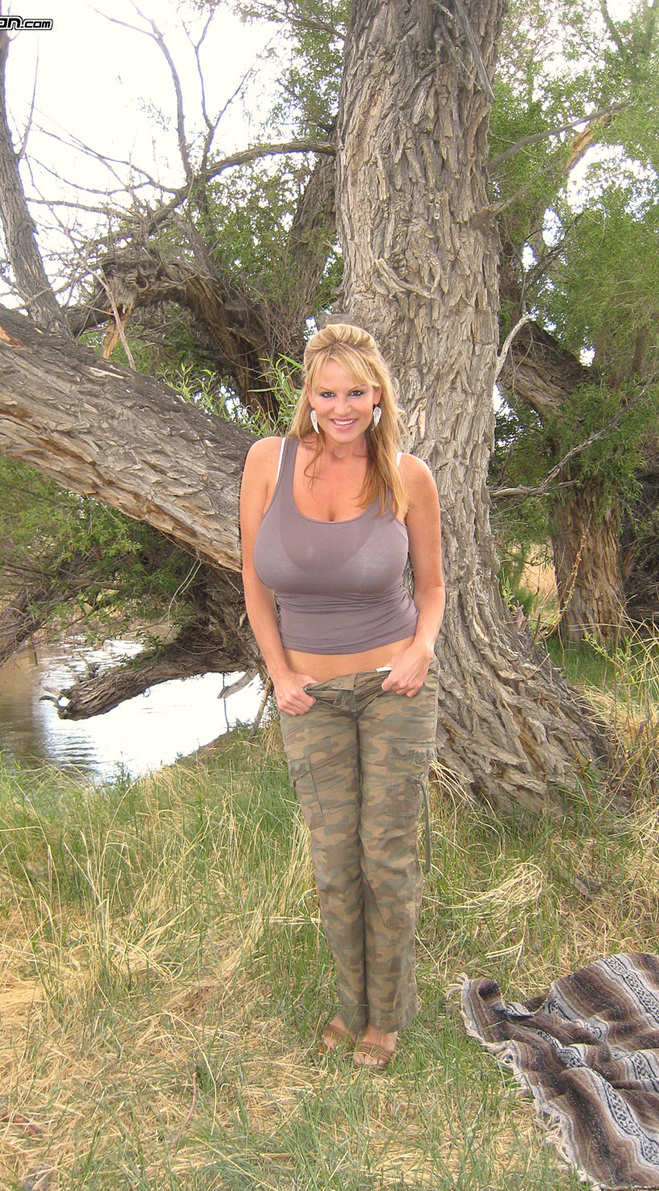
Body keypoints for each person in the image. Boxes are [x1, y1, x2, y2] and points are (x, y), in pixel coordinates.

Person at [239, 323, 445, 1069]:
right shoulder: (267, 462)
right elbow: (254, 583)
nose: (341, 407)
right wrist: (279, 672)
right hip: (309, 696)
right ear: (308, 393)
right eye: (327, 393)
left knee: (385, 857)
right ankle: (349, 1005)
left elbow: (432, 587)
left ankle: (385, 1016)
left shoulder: (408, 475)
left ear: (378, 393)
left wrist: (422, 648)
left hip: (394, 688)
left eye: (356, 391)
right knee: (333, 862)